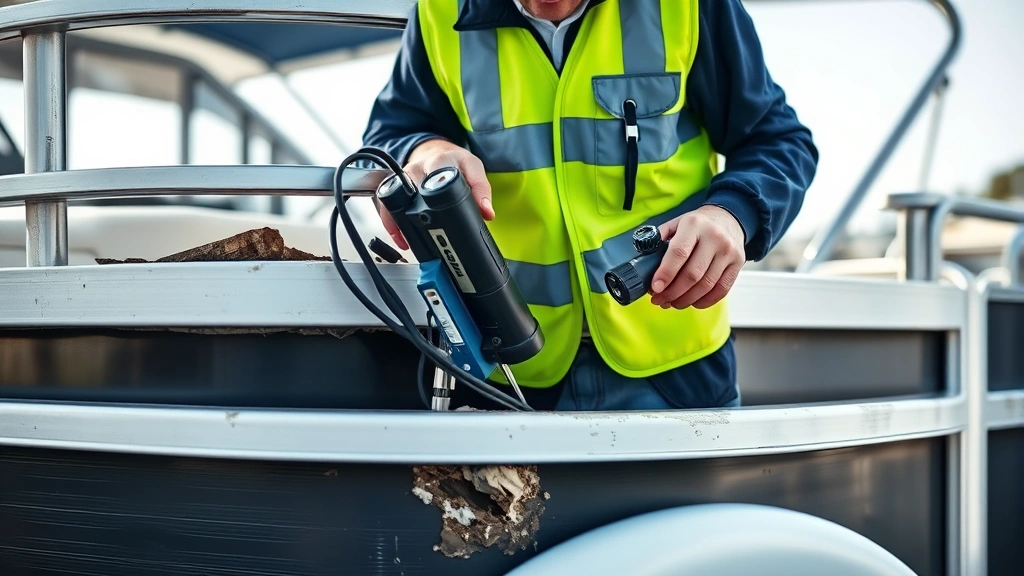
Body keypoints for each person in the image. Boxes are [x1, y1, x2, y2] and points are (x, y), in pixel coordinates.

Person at [362, 0, 818, 411]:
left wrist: (733, 215)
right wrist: (426, 151)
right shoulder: (438, 11)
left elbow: (777, 140)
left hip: (674, 372)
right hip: (507, 369)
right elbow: (392, 131)